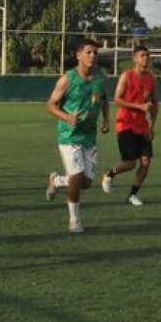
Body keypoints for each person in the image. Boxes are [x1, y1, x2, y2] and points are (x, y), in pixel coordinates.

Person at [45, 38, 110, 233]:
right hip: (69, 135)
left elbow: (104, 99)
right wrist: (67, 117)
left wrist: (106, 119)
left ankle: (56, 181)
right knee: (77, 175)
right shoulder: (68, 79)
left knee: (86, 183)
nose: (93, 56)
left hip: (89, 136)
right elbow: (50, 105)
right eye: (89, 52)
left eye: (95, 53)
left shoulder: (100, 77)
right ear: (78, 55)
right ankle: (74, 221)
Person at [101, 44, 158, 206]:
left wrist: (152, 126)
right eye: (142, 55)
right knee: (130, 163)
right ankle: (110, 174)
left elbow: (155, 104)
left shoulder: (151, 78)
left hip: (143, 126)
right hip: (125, 124)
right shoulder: (126, 76)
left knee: (146, 161)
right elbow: (117, 99)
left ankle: (132, 194)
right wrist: (140, 107)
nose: (145, 58)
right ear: (134, 58)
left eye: (147, 55)